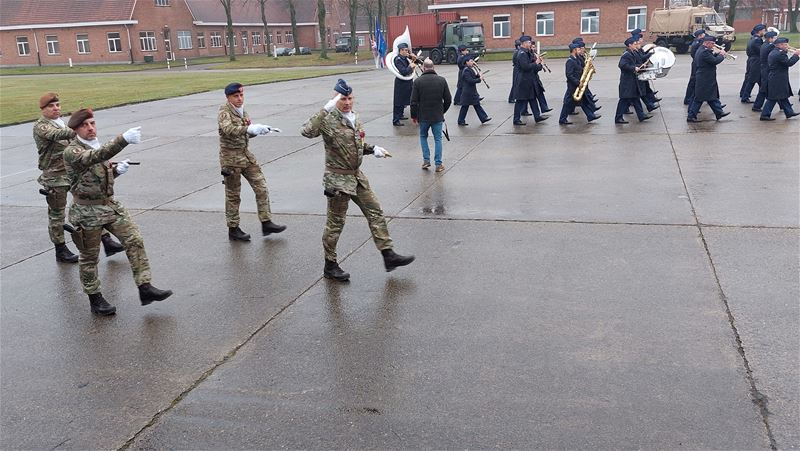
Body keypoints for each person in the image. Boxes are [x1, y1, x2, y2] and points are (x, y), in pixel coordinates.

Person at [300, 79, 415, 281]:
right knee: (335, 224)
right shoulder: (328, 119)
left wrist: (373, 149)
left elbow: (357, 143)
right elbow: (307, 131)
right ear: (335, 99)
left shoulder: (354, 118)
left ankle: (388, 255)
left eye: (350, 98)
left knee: (375, 211)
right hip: (337, 180)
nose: (347, 102)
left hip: (356, 176)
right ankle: (330, 264)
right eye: (342, 98)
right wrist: (325, 109)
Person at [62, 109, 172, 316]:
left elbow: (96, 177)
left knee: (134, 240)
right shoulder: (73, 151)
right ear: (76, 129)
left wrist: (115, 172)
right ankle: (95, 298)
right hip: (86, 211)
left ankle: (145, 287)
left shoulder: (96, 145)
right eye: (85, 125)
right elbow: (95, 157)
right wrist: (123, 139)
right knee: (89, 257)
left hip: (109, 205)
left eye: (92, 123)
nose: (91, 128)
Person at [33, 93, 125, 264]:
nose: (56, 108)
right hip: (55, 177)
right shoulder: (42, 126)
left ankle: (107, 242)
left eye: (58, 105)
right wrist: (80, 123)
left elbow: (83, 145)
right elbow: (57, 135)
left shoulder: (62, 123)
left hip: (74, 174)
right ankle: (60, 250)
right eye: (51, 106)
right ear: (43, 109)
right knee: (56, 215)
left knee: (90, 206)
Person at [218, 82, 286, 242]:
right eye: (236, 96)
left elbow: (246, 133)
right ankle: (233, 229)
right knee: (233, 195)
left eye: (241, 95)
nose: (240, 98)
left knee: (261, 187)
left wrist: (260, 130)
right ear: (228, 97)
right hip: (231, 160)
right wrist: (248, 129)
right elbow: (228, 130)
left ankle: (266, 222)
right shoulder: (224, 112)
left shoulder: (242, 111)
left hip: (246, 156)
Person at [410, 58, 451, 172]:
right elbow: (448, 99)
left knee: (423, 137)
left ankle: (426, 161)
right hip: (437, 116)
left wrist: (414, 116)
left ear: (423, 68)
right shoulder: (442, 80)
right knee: (438, 139)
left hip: (423, 116)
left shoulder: (417, 82)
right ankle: (438, 164)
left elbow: (413, 102)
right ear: (434, 67)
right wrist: (442, 111)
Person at [687, 36, 731, 122]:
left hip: (705, 77)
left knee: (711, 96)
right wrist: (721, 55)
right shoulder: (704, 52)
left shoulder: (702, 49)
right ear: (707, 43)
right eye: (712, 43)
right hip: (704, 77)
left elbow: (711, 58)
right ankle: (691, 116)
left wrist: (717, 54)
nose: (713, 45)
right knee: (699, 98)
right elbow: (714, 61)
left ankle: (719, 113)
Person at [558, 42, 601, 125]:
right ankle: (562, 119)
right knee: (568, 103)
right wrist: (578, 83)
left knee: (583, 101)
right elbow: (569, 75)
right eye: (578, 49)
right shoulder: (570, 61)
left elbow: (581, 69)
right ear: (574, 50)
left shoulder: (577, 59)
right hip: (573, 86)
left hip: (578, 84)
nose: (580, 51)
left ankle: (590, 116)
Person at [760, 37, 800, 121]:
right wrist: (796, 55)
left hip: (776, 77)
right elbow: (789, 63)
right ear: (780, 45)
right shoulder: (780, 54)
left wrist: (786, 51)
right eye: (785, 44)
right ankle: (765, 115)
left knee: (783, 96)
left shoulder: (775, 51)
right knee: (773, 98)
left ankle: (789, 112)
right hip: (778, 78)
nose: (787, 46)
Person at [615, 37, 652, 124]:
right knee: (623, 100)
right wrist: (633, 68)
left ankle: (641, 116)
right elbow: (622, 65)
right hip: (627, 82)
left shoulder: (633, 53)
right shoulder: (626, 54)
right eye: (635, 44)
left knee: (636, 98)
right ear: (630, 45)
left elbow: (636, 63)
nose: (636, 45)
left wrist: (642, 66)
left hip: (633, 81)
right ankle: (618, 118)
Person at [513, 36, 547, 125]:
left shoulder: (527, 52)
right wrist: (536, 63)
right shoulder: (521, 54)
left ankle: (537, 116)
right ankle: (516, 119)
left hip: (529, 80)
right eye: (528, 43)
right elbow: (526, 67)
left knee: (532, 98)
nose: (530, 44)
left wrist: (540, 65)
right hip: (523, 81)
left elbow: (533, 66)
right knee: (520, 101)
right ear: (523, 43)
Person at [457, 55, 492, 126]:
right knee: (465, 107)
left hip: (471, 91)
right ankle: (461, 120)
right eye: (471, 61)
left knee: (476, 105)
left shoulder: (469, 69)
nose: (473, 62)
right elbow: (470, 80)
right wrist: (479, 79)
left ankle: (483, 118)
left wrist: (478, 75)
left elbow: (472, 77)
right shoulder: (466, 70)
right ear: (467, 62)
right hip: (468, 92)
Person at [740, 24, 767, 103]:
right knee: (752, 80)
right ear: (760, 31)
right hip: (756, 61)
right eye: (764, 30)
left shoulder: (753, 38)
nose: (764, 32)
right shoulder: (757, 40)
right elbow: (761, 51)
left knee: (755, 80)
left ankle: (745, 95)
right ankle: (745, 97)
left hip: (752, 60)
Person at [753, 30, 778, 112]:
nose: (776, 39)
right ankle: (757, 106)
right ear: (770, 39)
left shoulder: (764, 44)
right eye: (775, 38)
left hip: (764, 68)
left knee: (769, 88)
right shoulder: (770, 46)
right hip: (767, 69)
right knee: (765, 89)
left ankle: (784, 105)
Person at [392, 43, 416, 126]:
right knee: (398, 101)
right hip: (401, 83)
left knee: (404, 100)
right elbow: (404, 72)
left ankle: (401, 115)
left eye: (407, 50)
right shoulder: (398, 59)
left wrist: (414, 59)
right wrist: (410, 67)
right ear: (401, 50)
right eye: (405, 50)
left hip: (407, 82)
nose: (407, 52)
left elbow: (412, 67)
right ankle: (396, 120)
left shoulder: (405, 58)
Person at [684, 29, 707, 106]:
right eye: (704, 35)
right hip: (696, 64)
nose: (705, 36)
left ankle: (710, 99)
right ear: (700, 36)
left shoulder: (698, 42)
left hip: (697, 64)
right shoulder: (697, 43)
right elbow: (694, 54)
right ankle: (688, 99)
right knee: (693, 82)